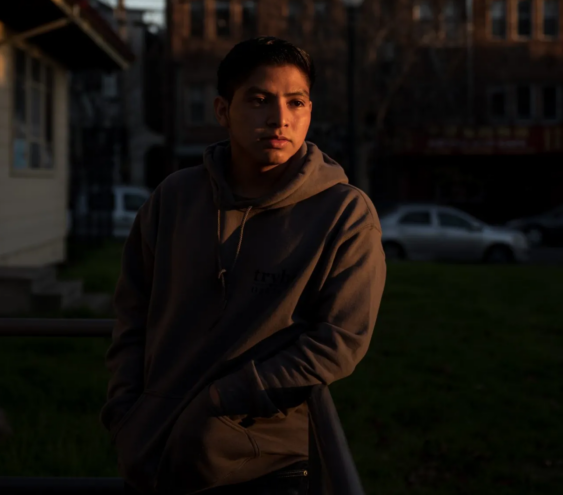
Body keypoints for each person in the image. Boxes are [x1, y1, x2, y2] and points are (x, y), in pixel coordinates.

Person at [101, 37, 386, 495]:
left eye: (296, 102)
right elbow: (132, 312)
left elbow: (340, 340)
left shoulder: (344, 213)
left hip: (268, 465)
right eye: (259, 101)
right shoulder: (173, 199)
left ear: (310, 110)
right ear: (222, 110)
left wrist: (220, 401)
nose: (280, 118)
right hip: (153, 456)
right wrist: (124, 411)